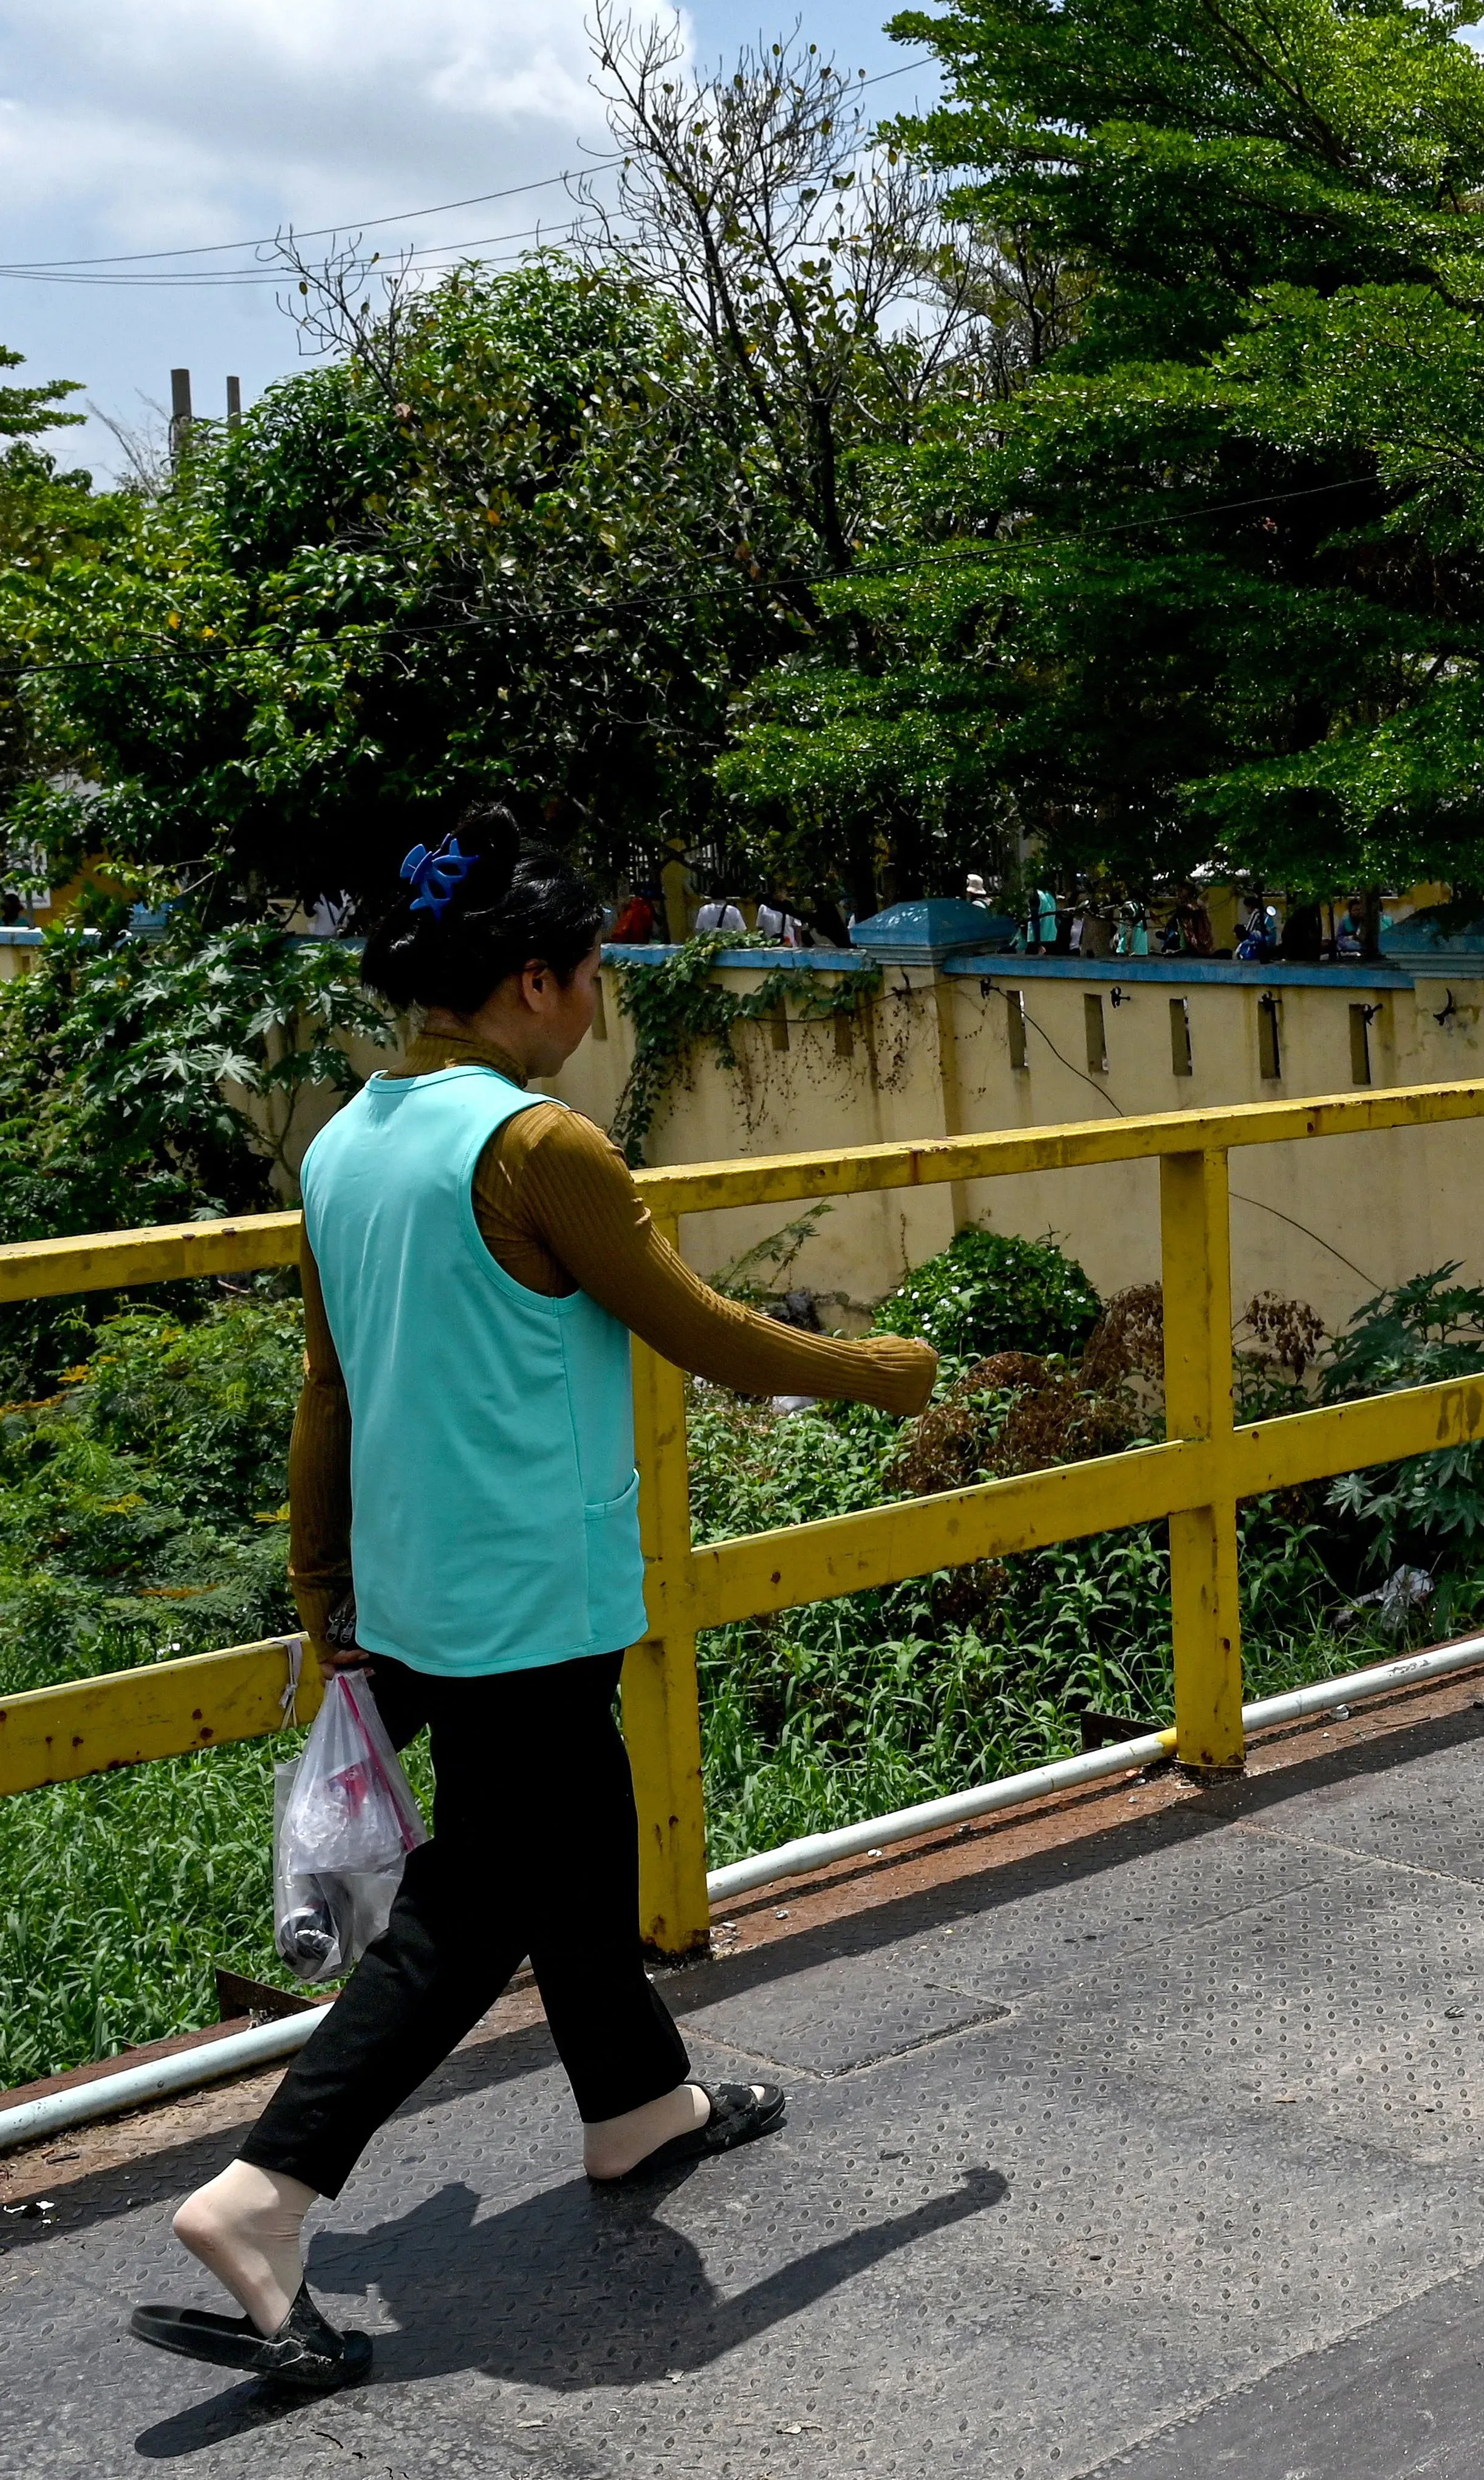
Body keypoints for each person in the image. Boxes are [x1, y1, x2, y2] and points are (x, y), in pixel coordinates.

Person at [129, 815, 940, 2395]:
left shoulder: (347, 1142)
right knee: (475, 1904)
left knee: (579, 1835)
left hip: (419, 1592)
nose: (597, 1003)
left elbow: (325, 1390)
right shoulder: (538, 1147)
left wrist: (323, 1591)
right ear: (531, 980)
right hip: (529, 1599)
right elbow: (702, 1329)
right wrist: (883, 1372)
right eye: (591, 974)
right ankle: (262, 2196)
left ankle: (636, 2102)